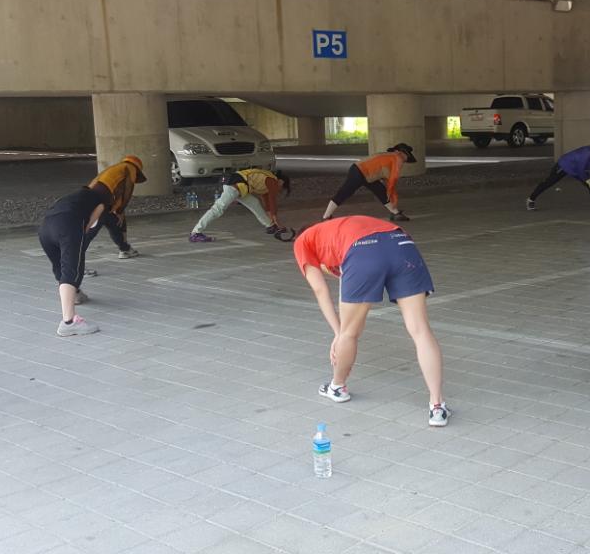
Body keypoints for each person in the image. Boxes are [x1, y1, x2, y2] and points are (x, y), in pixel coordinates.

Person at [293, 216, 449, 426]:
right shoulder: (340, 227)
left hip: (362, 251)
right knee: (421, 330)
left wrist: (338, 332)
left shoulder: (302, 241)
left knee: (349, 333)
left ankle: (337, 387)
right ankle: (437, 406)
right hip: (402, 244)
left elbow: (320, 289)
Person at [38, 187, 111, 336]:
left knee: (60, 266)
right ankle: (69, 322)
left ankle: (76, 294)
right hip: (67, 225)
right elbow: (90, 225)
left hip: (45, 228)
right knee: (72, 269)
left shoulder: (76, 196)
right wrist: (81, 237)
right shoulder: (101, 202)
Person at [190, 169, 292, 242]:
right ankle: (196, 233)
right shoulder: (272, 181)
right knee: (218, 209)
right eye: (282, 188)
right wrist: (276, 220)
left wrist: (273, 220)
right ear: (281, 182)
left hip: (239, 187)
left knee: (254, 203)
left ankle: (270, 226)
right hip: (235, 186)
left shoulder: (268, 179)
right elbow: (272, 201)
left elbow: (267, 203)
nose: (279, 190)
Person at [526, 137, 590, 213]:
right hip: (565, 165)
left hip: (579, 169)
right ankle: (531, 199)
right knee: (549, 182)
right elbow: (580, 169)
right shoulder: (588, 152)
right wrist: (587, 178)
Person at [322, 144, 415, 222]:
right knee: (344, 192)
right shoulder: (398, 158)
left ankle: (395, 213)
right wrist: (393, 195)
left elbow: (386, 176)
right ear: (401, 153)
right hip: (361, 172)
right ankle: (326, 217)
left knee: (381, 190)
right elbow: (393, 179)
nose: (406, 159)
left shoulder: (389, 155)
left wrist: (390, 192)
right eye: (407, 155)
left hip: (364, 173)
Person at [87, 155, 147, 259]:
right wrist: (120, 210)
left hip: (90, 195)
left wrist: (119, 210)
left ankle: (125, 249)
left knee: (113, 222)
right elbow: (127, 192)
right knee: (91, 231)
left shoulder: (115, 169)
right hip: (101, 197)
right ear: (137, 169)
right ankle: (75, 255)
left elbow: (116, 194)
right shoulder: (130, 168)